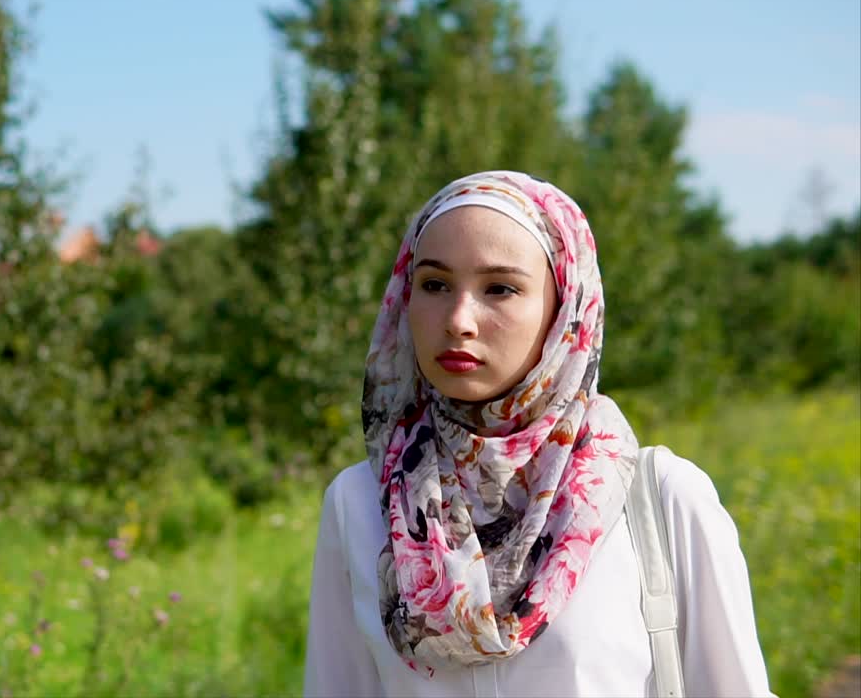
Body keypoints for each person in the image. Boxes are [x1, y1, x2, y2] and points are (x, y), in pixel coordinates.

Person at [302, 171, 773, 697]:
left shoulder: (660, 498)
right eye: (434, 284)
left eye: (500, 288)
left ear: (565, 308)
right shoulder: (360, 502)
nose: (458, 320)